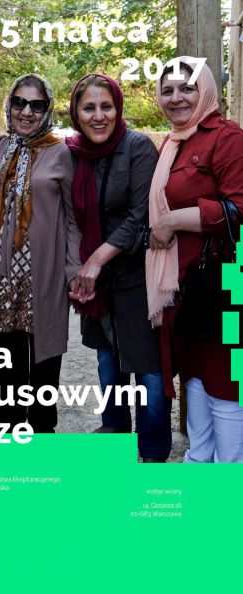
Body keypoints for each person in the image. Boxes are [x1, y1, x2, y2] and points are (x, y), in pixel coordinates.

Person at [0, 73, 82, 433]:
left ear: (48, 109)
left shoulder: (61, 153)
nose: (27, 111)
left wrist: (74, 269)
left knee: (44, 365)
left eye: (37, 105)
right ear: (9, 105)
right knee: (8, 366)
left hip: (43, 274)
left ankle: (42, 435)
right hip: (3, 276)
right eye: (19, 102)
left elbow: (73, 219)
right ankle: (10, 433)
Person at [67, 74, 172, 462]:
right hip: (97, 283)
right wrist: (0, 139)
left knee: (147, 367)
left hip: (136, 275)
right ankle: (114, 432)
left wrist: (95, 261)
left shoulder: (138, 147)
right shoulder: (73, 153)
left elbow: (139, 215)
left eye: (106, 106)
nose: (99, 116)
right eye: (89, 108)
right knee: (107, 359)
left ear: (118, 108)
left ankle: (153, 450)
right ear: (76, 114)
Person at [146, 57, 243, 463]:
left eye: (187, 88)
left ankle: (229, 473)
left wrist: (174, 220)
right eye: (167, 90)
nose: (177, 98)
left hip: (227, 283)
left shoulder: (227, 137)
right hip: (184, 282)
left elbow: (239, 209)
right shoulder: (173, 143)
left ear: (204, 89)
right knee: (195, 375)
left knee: (226, 378)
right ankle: (199, 462)